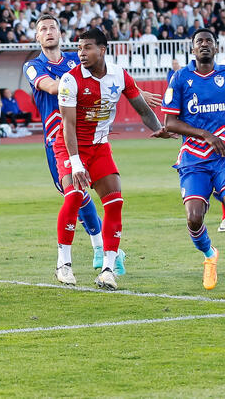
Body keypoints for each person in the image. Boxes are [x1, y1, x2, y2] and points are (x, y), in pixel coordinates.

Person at [53, 28, 174, 290]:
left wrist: (157, 128)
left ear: (103, 50)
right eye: (79, 48)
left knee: (115, 201)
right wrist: (75, 164)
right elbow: (68, 126)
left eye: (87, 48)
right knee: (74, 195)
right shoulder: (70, 80)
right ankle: (63, 264)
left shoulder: (119, 75)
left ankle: (108, 270)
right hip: (70, 146)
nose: (81, 53)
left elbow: (141, 107)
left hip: (99, 147)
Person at [23, 15, 109, 274]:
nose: (48, 32)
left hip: (86, 136)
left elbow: (105, 78)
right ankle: (99, 245)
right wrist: (75, 85)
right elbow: (50, 87)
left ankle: (92, 250)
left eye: (52, 28)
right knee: (77, 196)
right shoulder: (32, 65)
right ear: (37, 37)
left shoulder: (76, 59)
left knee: (82, 193)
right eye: (42, 29)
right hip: (56, 139)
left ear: (61, 34)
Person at [162, 29, 225, 289]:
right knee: (194, 218)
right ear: (192, 50)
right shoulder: (180, 78)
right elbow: (170, 122)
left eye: (209, 41)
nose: (204, 45)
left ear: (216, 47)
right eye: (199, 42)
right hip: (194, 157)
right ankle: (210, 256)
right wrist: (206, 135)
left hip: (222, 156)